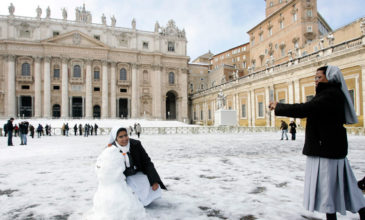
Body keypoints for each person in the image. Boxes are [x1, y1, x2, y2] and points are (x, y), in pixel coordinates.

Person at [269, 66, 365, 220]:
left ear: (329, 78)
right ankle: (360, 210)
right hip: (330, 147)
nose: (315, 81)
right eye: (315, 77)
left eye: (318, 77)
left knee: (328, 189)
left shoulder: (329, 95)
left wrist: (279, 106)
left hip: (325, 148)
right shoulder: (329, 94)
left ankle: (334, 217)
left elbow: (306, 108)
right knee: (346, 186)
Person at [108, 126, 166, 206]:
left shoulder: (135, 144)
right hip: (122, 178)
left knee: (145, 184)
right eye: (121, 137)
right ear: (115, 138)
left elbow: (147, 162)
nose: (124, 138)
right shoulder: (111, 150)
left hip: (136, 173)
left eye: (126, 135)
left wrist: (154, 180)